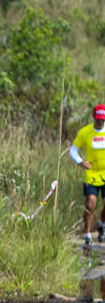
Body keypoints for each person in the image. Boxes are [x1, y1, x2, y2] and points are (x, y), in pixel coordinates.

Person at [69, 103, 105, 247]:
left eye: (102, 119)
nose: (100, 122)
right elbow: (73, 150)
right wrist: (80, 162)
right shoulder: (85, 132)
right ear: (93, 117)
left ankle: (101, 224)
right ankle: (88, 234)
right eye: (98, 119)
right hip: (91, 174)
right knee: (90, 204)